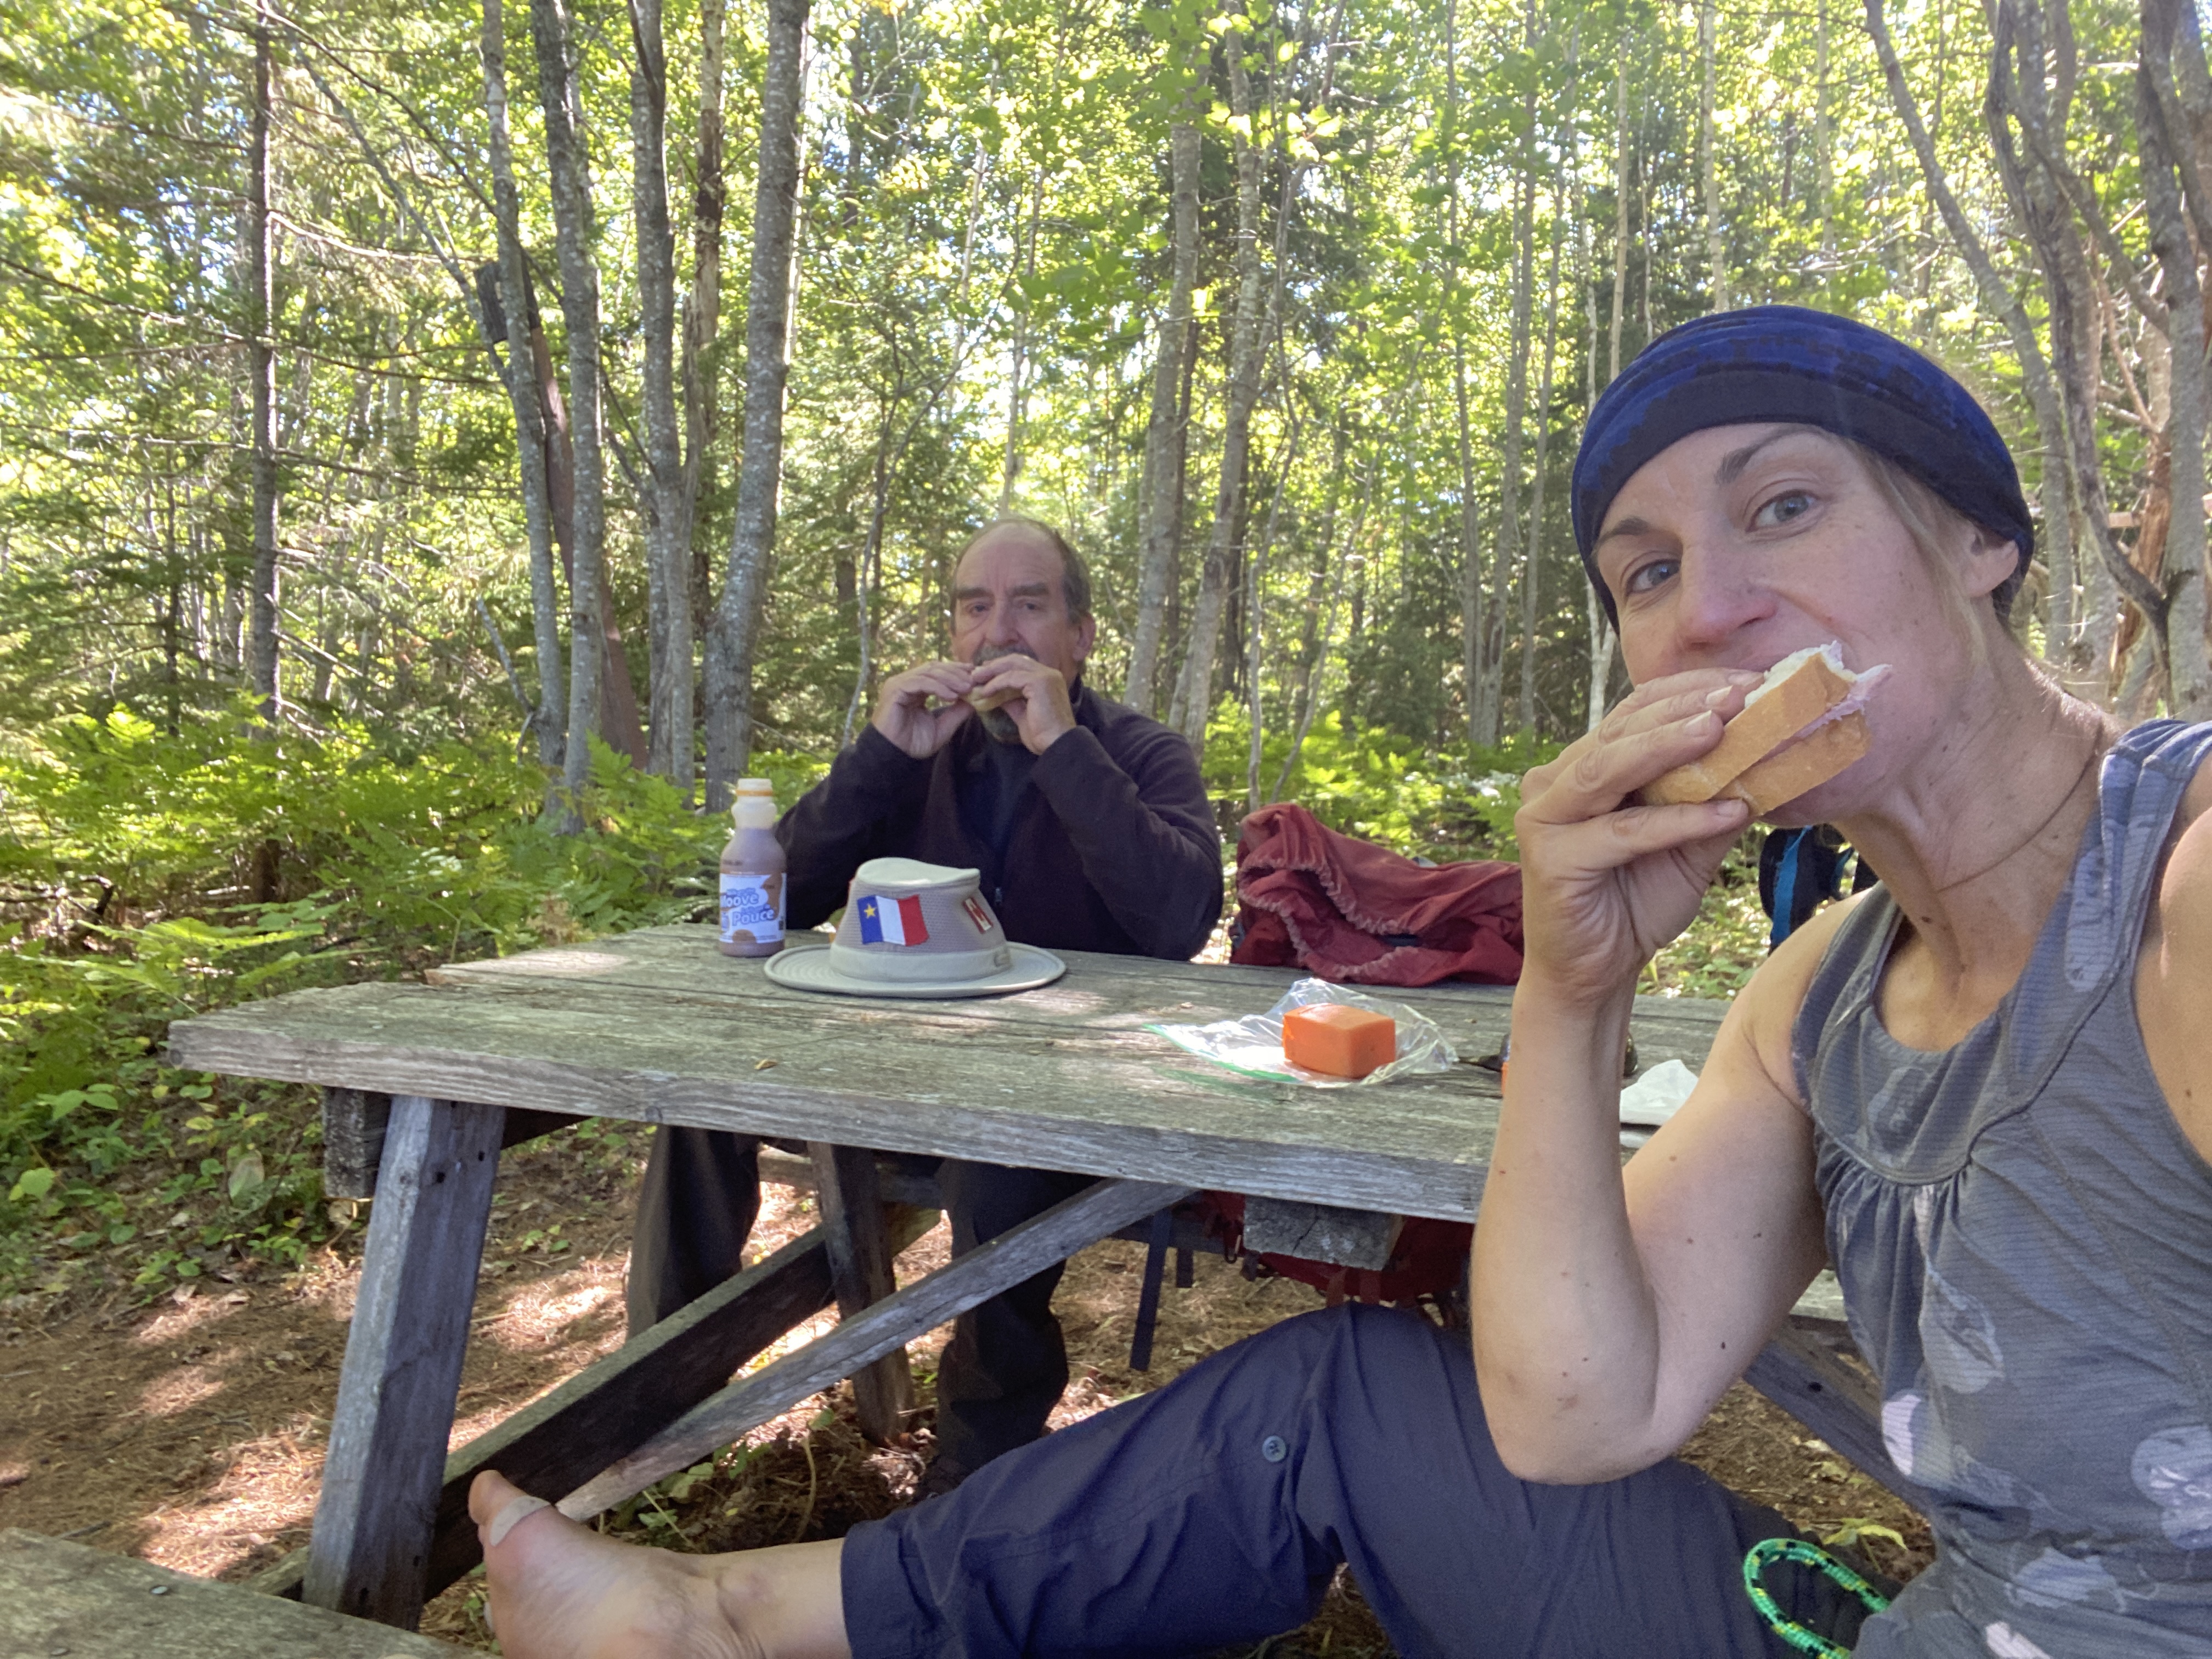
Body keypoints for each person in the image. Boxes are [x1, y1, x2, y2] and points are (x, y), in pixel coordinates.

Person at [472, 307, 2212, 1658]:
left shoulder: (2182, 884)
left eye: (1785, 507)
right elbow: (1573, 1411)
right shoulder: (1825, 987)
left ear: (1982, 538)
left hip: (1058, 1112)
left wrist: (1065, 749)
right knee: (1331, 1393)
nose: (1711, 610)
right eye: (1649, 571)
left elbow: (1173, 904)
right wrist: (1570, 989)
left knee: (1015, 1208)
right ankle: (719, 1613)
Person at [628, 516, 1223, 1492]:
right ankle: (651, 1402)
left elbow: (1177, 923)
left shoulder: (1140, 754)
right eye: (974, 608)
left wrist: (1063, 748)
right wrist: (880, 753)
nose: (999, 632)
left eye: (1029, 605)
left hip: (1060, 1086)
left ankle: (970, 1484)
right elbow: (775, 903)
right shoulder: (922, 752)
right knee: (703, 1101)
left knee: (997, 1176)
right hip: (889, 1061)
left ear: (1079, 637)